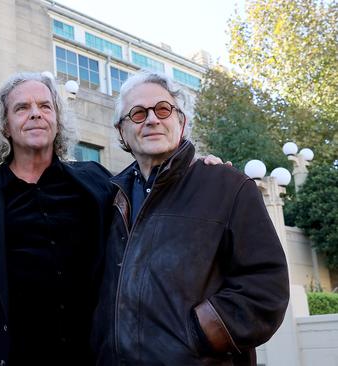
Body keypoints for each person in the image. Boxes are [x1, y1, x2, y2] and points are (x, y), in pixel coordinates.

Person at [92, 72, 289, 365]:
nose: (152, 119)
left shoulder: (228, 187)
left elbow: (266, 288)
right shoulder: (109, 198)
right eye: (137, 113)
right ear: (121, 131)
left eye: (163, 109)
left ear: (181, 123)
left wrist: (198, 333)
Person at [0, 72, 116, 366]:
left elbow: (152, 198)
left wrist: (204, 169)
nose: (36, 114)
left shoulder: (98, 183)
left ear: (57, 120)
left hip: (90, 356)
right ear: (5, 126)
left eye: (45, 107)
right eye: (22, 108)